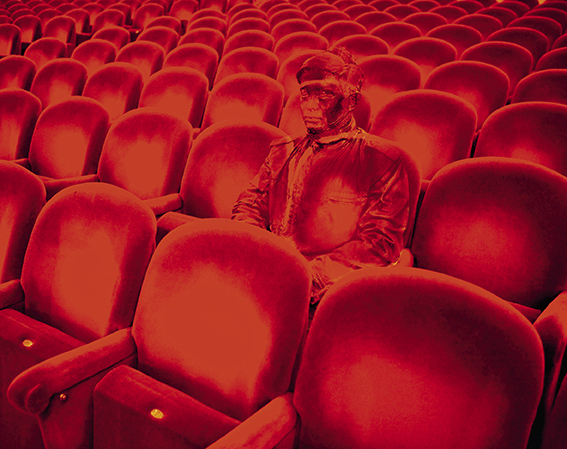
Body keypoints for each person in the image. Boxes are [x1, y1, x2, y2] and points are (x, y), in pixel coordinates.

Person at [231, 48, 411, 307]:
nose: (310, 105)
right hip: (264, 275)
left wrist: (301, 278)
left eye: (325, 94)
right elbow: (249, 204)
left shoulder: (382, 161)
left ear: (350, 100)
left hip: (329, 294)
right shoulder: (282, 151)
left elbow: (380, 244)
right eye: (305, 94)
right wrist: (258, 256)